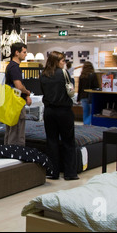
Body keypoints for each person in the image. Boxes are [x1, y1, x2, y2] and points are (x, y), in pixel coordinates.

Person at [40, 51, 78, 181]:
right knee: (68, 141)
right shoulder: (63, 73)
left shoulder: (44, 75)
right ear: (56, 61)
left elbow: (43, 92)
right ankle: (70, 173)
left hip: (49, 112)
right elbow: (70, 89)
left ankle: (52, 171)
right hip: (63, 111)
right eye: (62, 61)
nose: (64, 63)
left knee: (51, 141)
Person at [4, 43, 32, 147]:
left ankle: (8, 151)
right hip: (16, 103)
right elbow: (19, 86)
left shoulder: (10, 66)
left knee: (11, 130)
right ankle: (16, 153)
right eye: (24, 52)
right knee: (17, 131)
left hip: (11, 102)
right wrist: (27, 92)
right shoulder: (15, 68)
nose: (26, 54)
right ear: (17, 52)